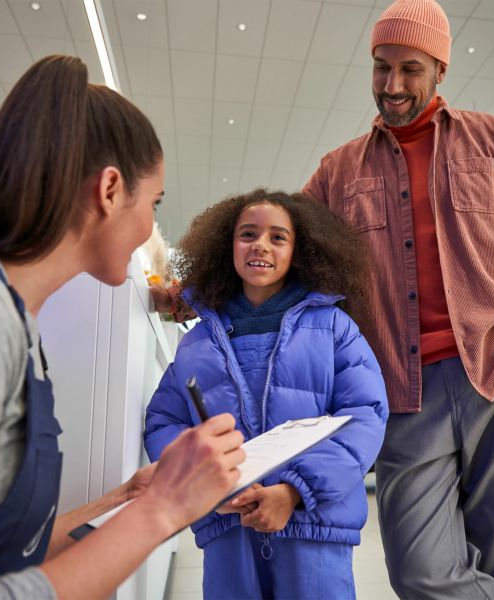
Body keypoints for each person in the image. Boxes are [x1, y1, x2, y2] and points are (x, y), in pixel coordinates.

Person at [0, 55, 246, 600]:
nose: (149, 228)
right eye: (154, 204)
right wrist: (165, 510)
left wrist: (129, 500)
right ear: (110, 189)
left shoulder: (12, 322)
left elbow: (3, 549)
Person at [299, 0, 494, 598]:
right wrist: (193, 284)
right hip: (403, 391)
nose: (392, 85)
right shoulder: (337, 171)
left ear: (440, 70)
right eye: (380, 67)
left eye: (409, 68)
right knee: (422, 572)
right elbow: (279, 243)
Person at [144, 189, 389, 600]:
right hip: (227, 529)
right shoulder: (198, 341)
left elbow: (364, 414)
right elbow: (162, 422)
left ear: (301, 252)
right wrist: (203, 484)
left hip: (313, 528)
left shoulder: (334, 328)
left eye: (278, 237)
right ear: (227, 247)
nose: (261, 244)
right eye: (248, 234)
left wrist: (294, 492)